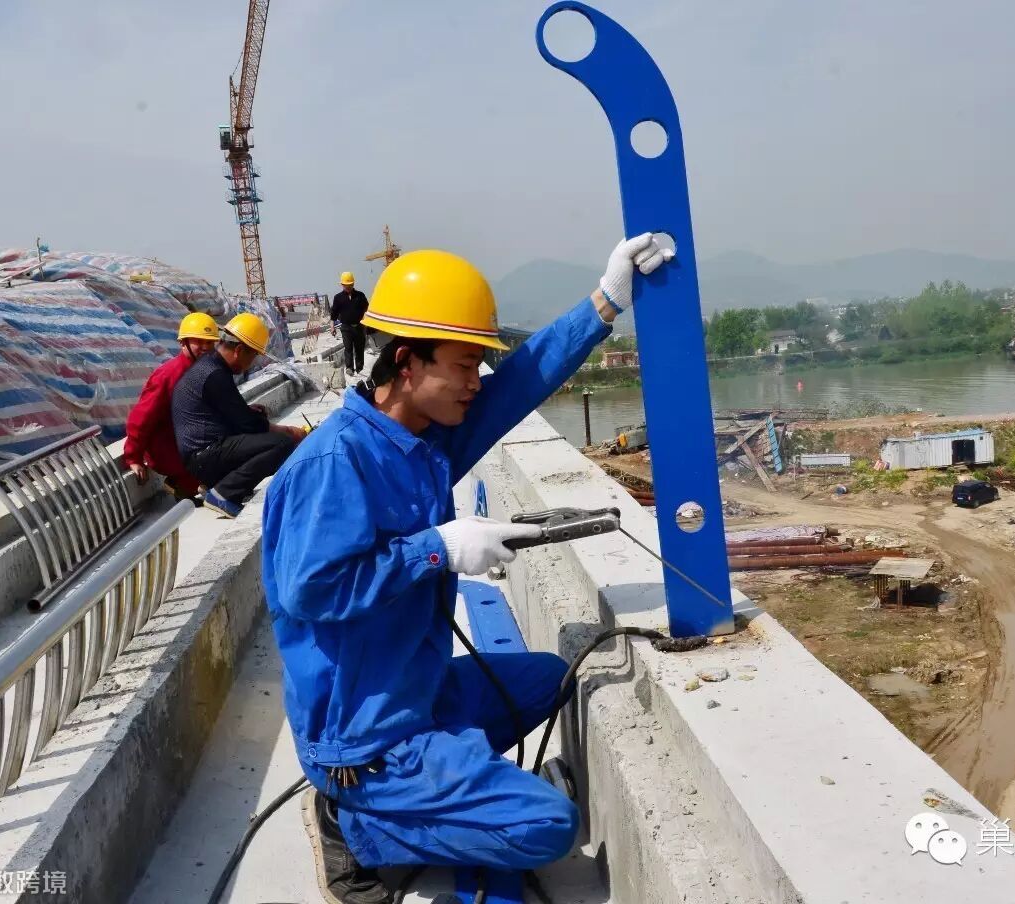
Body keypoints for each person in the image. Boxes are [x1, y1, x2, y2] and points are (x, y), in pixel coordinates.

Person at [261, 235, 672, 903]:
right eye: (463, 365)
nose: (476, 381)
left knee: (549, 677)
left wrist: (605, 302)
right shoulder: (337, 463)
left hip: (414, 688)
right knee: (547, 826)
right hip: (364, 737)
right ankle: (354, 825)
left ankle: (443, 780)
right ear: (406, 361)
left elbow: (518, 386)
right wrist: (440, 549)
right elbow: (311, 590)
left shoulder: (421, 439)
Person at [171, 312, 306, 519]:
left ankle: (220, 484)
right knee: (281, 444)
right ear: (239, 350)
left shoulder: (211, 365)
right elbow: (249, 425)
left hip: (202, 453)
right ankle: (224, 493)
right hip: (203, 456)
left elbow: (231, 412)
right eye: (252, 357)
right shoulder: (215, 374)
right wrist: (289, 432)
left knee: (263, 430)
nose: (250, 364)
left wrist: (249, 411)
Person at [122, 312, 219, 501]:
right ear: (183, 343)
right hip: (169, 448)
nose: (206, 347)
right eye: (199, 342)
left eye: (210, 343)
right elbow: (142, 418)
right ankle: (183, 487)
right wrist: (133, 457)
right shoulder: (168, 375)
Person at [330, 271, 369, 377]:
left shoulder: (360, 296)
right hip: (346, 327)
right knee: (348, 348)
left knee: (359, 348)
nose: (348, 287)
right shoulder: (338, 298)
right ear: (342, 285)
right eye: (346, 285)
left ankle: (359, 368)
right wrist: (332, 327)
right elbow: (333, 314)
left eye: (350, 285)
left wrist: (367, 322)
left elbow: (367, 309)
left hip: (359, 326)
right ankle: (349, 368)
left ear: (353, 284)